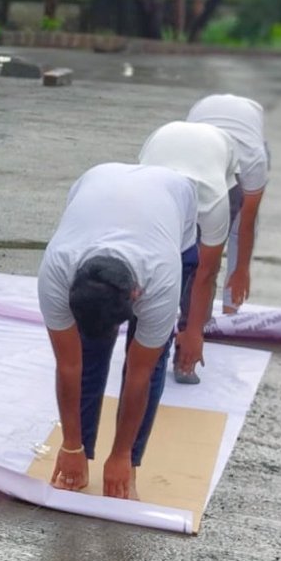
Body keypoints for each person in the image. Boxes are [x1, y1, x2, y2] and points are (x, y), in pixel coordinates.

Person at [38, 163, 198, 500]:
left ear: (136, 296)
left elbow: (139, 373)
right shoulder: (56, 269)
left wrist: (122, 454)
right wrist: (70, 445)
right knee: (87, 352)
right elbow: (68, 365)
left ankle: (129, 461)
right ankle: (82, 450)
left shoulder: (161, 278)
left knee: (149, 361)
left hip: (173, 195)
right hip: (94, 180)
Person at [139, 121, 239, 384]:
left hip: (221, 157)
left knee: (194, 264)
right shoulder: (143, 197)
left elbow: (206, 272)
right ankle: (150, 341)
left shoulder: (214, 204)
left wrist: (194, 330)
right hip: (162, 139)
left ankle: (185, 349)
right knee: (154, 265)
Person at [186, 94, 269, 315]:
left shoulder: (253, 162)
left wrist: (242, 269)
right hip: (204, 112)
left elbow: (247, 224)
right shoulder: (187, 163)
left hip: (248, 119)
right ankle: (193, 308)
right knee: (194, 236)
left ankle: (230, 313)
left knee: (237, 223)